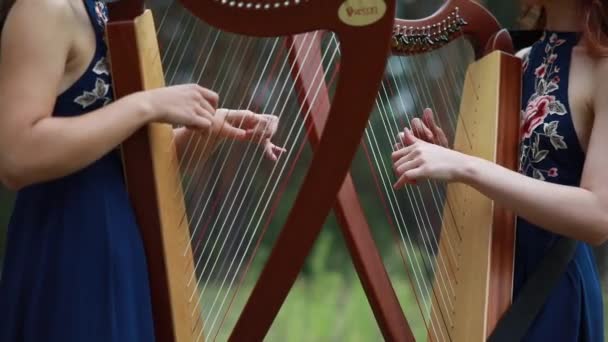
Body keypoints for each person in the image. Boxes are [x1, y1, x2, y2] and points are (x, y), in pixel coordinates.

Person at [0, 0, 284, 341]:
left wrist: (209, 126)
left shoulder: (105, 11)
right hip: (69, 248)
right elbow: (15, 155)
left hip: (120, 243)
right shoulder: (44, 8)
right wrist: (146, 105)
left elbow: (120, 159)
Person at [392, 0, 607, 340]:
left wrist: (465, 166)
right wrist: (444, 157)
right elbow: (509, 174)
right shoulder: (517, 61)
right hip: (493, 271)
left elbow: (599, 216)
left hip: (553, 286)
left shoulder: (603, 67)